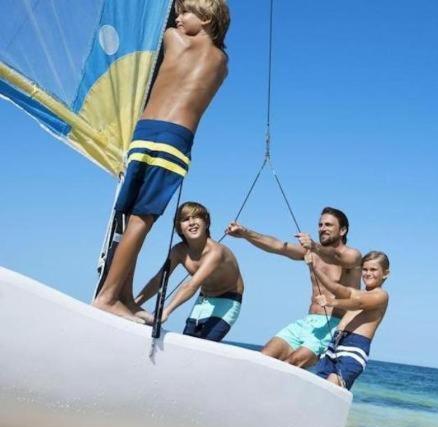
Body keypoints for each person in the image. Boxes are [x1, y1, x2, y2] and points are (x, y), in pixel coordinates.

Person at [92, 0, 230, 322]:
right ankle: (108, 297)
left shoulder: (171, 39)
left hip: (142, 134)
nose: (178, 19)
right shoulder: (221, 62)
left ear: (207, 18)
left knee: (130, 218)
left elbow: (163, 19)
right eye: (177, 13)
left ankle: (123, 296)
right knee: (142, 220)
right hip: (174, 139)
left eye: (186, 13)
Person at [225, 207, 361, 367]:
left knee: (291, 364)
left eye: (328, 225)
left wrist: (314, 246)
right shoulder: (313, 251)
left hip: (333, 325)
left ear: (342, 230)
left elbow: (341, 258)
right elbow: (279, 246)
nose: (322, 228)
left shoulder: (352, 255)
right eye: (320, 225)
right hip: (308, 322)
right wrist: (245, 233)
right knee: (262, 358)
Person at [134, 202, 244, 342]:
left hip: (228, 300)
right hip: (204, 298)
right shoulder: (178, 251)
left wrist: (166, 312)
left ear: (206, 223)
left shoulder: (216, 252)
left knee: (203, 344)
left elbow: (191, 285)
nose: (192, 223)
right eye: (186, 219)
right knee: (187, 341)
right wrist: (134, 304)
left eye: (196, 217)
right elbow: (159, 279)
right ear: (179, 228)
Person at [309, 251, 390, 390]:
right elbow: (335, 287)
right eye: (365, 269)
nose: (368, 273)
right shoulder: (357, 292)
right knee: (318, 387)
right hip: (335, 344)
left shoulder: (381, 295)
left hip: (354, 347)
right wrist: (314, 266)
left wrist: (332, 302)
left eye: (373, 269)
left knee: (331, 384)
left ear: (385, 273)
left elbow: (359, 303)